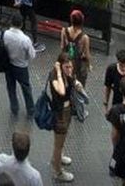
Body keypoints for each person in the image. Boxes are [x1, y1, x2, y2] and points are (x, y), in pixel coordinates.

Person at [49, 51, 82, 182]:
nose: (70, 69)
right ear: (60, 66)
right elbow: (62, 91)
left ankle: (59, 156)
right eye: (66, 67)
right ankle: (57, 170)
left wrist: (76, 82)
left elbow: (71, 81)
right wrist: (58, 72)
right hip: (59, 114)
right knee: (58, 143)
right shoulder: (54, 76)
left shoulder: (68, 74)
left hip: (67, 111)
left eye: (71, 66)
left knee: (62, 139)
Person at [3, 12, 36, 119]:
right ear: (21, 24)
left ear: (11, 22)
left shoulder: (5, 34)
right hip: (21, 67)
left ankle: (14, 108)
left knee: (11, 87)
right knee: (26, 89)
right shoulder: (25, 39)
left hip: (8, 66)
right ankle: (30, 111)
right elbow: (32, 56)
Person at [59, 9, 91, 86]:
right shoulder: (84, 37)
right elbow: (87, 54)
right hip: (78, 63)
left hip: (66, 60)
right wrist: (89, 65)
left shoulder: (64, 31)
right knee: (79, 83)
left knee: (66, 80)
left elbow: (62, 46)